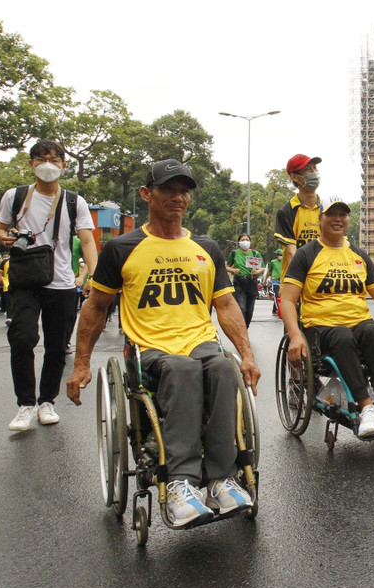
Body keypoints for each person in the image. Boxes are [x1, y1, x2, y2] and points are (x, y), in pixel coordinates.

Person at [66, 158, 261, 527]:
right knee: (181, 368)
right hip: (149, 348)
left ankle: (221, 478)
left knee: (223, 367)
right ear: (146, 194)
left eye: (184, 190)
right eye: (168, 189)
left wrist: (247, 355)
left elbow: (226, 305)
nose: (178, 196)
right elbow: (95, 307)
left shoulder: (206, 248)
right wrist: (81, 363)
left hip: (201, 342)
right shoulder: (122, 248)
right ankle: (181, 483)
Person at [280, 196, 374, 439]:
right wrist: (295, 335)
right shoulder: (306, 254)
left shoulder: (359, 255)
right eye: (332, 214)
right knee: (342, 336)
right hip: (321, 328)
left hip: (358, 323)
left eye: (343, 215)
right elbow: (287, 300)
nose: (338, 219)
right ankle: (365, 406)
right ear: (320, 219)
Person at [0, 140, 98, 432]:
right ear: (31, 164)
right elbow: (0, 229)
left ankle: (46, 402)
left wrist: (94, 277)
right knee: (22, 338)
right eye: (41, 159)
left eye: (54, 160)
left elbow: (88, 240)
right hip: (26, 280)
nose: (48, 165)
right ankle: (25, 404)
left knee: (56, 346)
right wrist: (5, 237)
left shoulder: (74, 201)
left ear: (64, 165)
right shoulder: (14, 197)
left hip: (62, 283)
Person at [275, 154, 322, 282]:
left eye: (315, 168)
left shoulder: (327, 209)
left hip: (322, 282)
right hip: (296, 283)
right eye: (308, 169)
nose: (314, 173)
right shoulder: (287, 211)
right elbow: (291, 253)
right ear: (294, 177)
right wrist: (306, 281)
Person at [227, 234, 264, 328]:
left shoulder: (255, 253)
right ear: (239, 242)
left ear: (250, 242)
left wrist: (256, 271)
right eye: (243, 240)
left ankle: (246, 327)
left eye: (247, 240)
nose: (245, 241)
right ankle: (241, 328)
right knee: (241, 307)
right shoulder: (234, 253)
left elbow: (262, 267)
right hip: (239, 283)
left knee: (249, 310)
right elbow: (226, 267)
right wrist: (233, 270)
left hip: (251, 282)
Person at [265, 248, 283, 315]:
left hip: (282, 280)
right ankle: (278, 309)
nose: (280, 256)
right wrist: (265, 280)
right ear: (276, 255)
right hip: (275, 280)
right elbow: (269, 271)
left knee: (281, 295)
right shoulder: (273, 262)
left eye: (281, 254)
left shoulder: (285, 262)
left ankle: (274, 309)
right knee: (276, 294)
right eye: (278, 254)